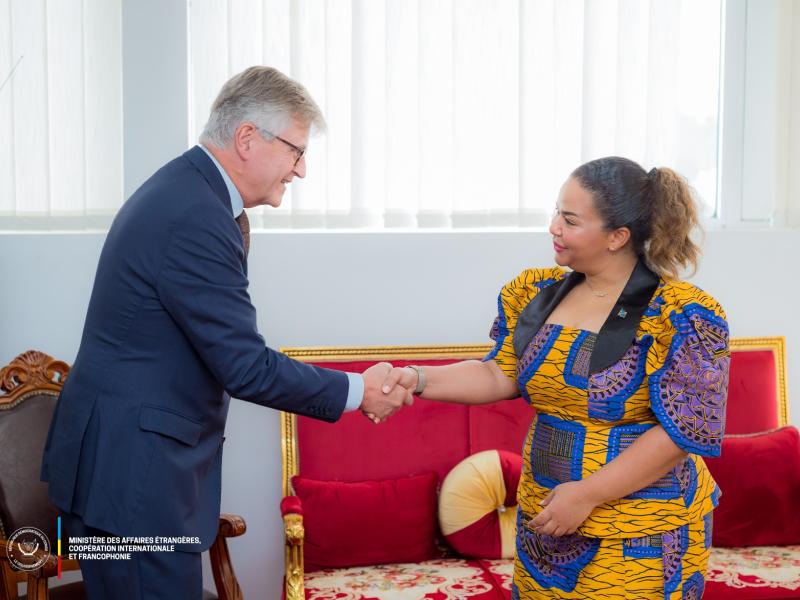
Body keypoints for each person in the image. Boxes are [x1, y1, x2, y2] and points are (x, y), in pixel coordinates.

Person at [40, 66, 410, 599]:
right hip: (134, 486)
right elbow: (244, 366)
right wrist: (358, 390)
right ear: (246, 138)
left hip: (122, 476)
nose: (301, 170)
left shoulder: (191, 193)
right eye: (296, 151)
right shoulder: (194, 214)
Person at [383, 156, 730, 599]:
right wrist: (414, 378)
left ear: (617, 236)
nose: (553, 227)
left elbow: (682, 433)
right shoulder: (535, 293)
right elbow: (497, 372)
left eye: (569, 219)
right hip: (548, 516)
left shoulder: (683, 314)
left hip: (643, 533)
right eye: (555, 213)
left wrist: (587, 494)